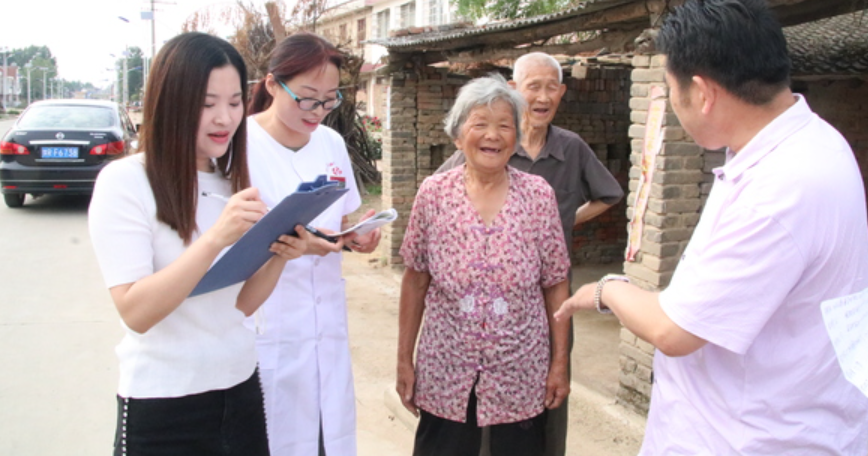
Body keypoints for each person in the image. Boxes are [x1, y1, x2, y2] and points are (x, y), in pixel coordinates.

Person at [555, 0, 868, 454]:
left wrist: (605, 290)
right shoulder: (812, 143)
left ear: (701, 93)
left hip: (749, 436)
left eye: (670, 89)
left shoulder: (779, 188)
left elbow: (674, 331)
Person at [88, 32, 307, 455]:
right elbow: (136, 311)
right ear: (170, 102)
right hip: (164, 404)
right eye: (207, 104)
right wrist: (213, 240)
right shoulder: (126, 182)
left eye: (233, 102)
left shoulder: (230, 184)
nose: (224, 118)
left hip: (239, 389)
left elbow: (236, 306)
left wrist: (280, 256)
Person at [436, 52, 624, 456]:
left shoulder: (570, 147)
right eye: (532, 86)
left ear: (562, 92)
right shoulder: (494, 142)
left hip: (551, 291)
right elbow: (442, 193)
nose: (541, 96)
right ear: (514, 90)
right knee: (484, 384)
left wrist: (560, 225)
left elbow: (610, 194)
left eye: (550, 86)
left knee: (550, 387)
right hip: (492, 297)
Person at [397, 75, 571, 456]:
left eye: (504, 126)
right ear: (459, 136)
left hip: (520, 367)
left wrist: (560, 364)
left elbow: (556, 282)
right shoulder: (434, 194)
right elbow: (415, 280)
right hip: (447, 365)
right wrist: (403, 360)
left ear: (517, 137)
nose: (492, 135)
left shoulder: (538, 196)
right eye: (480, 124)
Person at [246, 32, 381, 456]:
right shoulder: (241, 147)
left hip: (326, 324)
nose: (318, 111)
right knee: (272, 436)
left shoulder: (331, 143)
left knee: (326, 437)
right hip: (268, 323)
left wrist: (356, 236)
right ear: (272, 85)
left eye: (329, 100)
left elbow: (339, 222)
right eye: (307, 98)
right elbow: (225, 243)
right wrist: (296, 247)